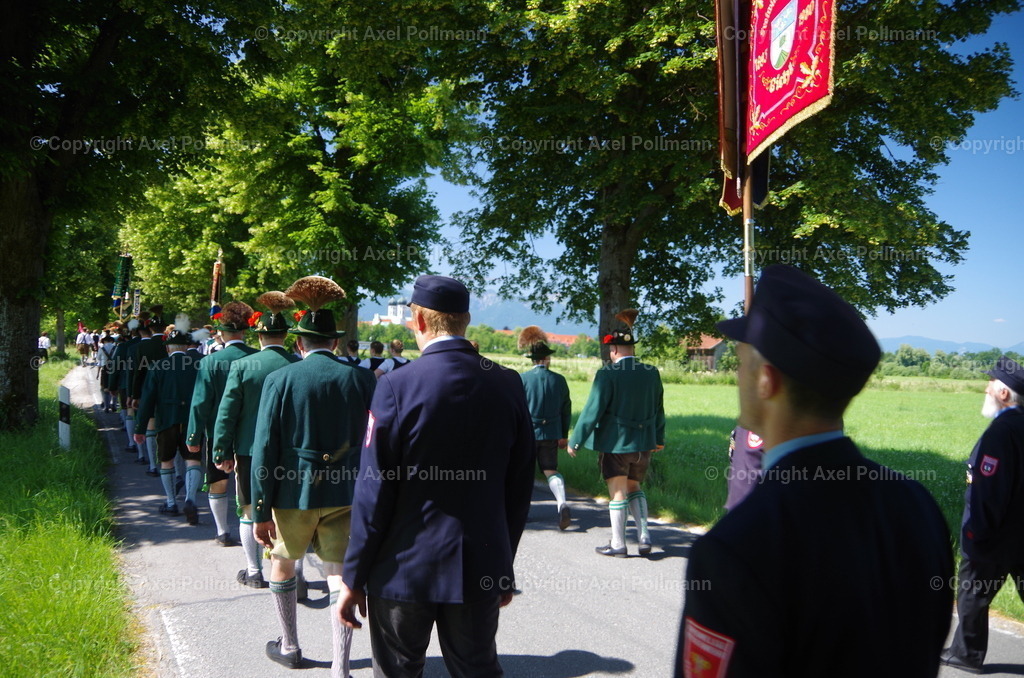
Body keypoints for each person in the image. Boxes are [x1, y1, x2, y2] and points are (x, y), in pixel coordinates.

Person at [674, 265, 954, 678]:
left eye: (740, 362)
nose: (737, 376)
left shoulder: (736, 549)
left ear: (766, 381)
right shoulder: (916, 504)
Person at [337, 274, 535, 678]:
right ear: (464, 320)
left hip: (402, 568)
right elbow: (518, 488)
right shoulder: (508, 383)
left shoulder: (396, 385)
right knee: (477, 670)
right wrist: (501, 567)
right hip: (479, 564)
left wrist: (353, 576)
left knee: (398, 672)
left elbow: (373, 492)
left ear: (420, 322)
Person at [250, 276, 375, 675]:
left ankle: (289, 646)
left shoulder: (279, 379)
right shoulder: (361, 378)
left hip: (291, 494)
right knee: (339, 573)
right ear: (335, 342)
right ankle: (341, 666)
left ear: (298, 343)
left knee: (284, 566)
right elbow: (374, 442)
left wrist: (259, 509)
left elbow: (264, 449)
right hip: (346, 492)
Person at [940, 356, 1024, 674]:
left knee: (973, 590)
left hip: (994, 535)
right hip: (1020, 533)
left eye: (990, 383)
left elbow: (990, 489)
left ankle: (966, 653)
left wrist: (976, 532)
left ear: (1004, 393)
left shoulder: (1001, 432)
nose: (985, 387)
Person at [211, 292, 300, 587]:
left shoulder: (243, 366)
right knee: (288, 512)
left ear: (259, 335)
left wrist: (221, 449)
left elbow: (227, 412)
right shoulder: (297, 364)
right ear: (286, 335)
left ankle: (253, 572)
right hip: (291, 452)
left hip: (250, 451)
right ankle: (295, 574)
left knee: (249, 509)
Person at [568, 309, 665, 557]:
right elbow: (659, 409)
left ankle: (618, 543)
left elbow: (592, 411)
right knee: (635, 487)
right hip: (645, 444)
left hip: (616, 445)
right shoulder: (651, 373)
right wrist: (659, 439)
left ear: (613, 351)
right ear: (632, 348)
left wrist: (576, 441)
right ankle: (644, 537)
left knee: (618, 491)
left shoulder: (607, 374)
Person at [185, 301, 257, 535]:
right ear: (245, 331)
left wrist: (193, 437)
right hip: (252, 432)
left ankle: (222, 531)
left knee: (218, 481)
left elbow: (200, 403)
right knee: (248, 485)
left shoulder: (209, 362)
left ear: (222, 333)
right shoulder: (259, 359)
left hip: (218, 431)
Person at [133, 329, 202, 519]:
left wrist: (140, 428)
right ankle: (191, 499)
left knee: (166, 461)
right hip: (192, 421)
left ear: (168, 348)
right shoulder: (198, 365)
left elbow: (147, 400)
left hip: (166, 420)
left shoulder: (157, 366)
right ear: (186, 347)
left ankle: (172, 502)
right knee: (193, 459)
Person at [518, 325, 573, 529]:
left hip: (528, 434)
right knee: (551, 470)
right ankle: (562, 503)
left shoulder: (522, 379)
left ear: (532, 360)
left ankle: (524, 513)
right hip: (551, 433)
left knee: (525, 474)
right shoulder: (559, 380)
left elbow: (518, 409)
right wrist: (563, 435)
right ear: (547, 359)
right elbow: (566, 409)